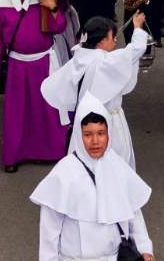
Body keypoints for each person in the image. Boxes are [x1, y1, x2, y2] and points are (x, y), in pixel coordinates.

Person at [32, 95, 154, 261]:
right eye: (88, 134)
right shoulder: (64, 175)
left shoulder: (118, 167)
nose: (95, 141)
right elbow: (48, 236)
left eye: (101, 133)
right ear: (79, 135)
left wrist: (145, 248)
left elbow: (134, 215)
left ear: (109, 134)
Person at [0, 0, 69, 173]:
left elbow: (60, 27)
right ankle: (14, 155)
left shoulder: (42, 3)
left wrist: (54, 7)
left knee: (46, 109)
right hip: (17, 66)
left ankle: (48, 152)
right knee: (16, 112)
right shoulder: (1, 7)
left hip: (43, 64)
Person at [41, 14, 149, 168]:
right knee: (111, 165)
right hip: (105, 123)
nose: (115, 40)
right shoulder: (104, 62)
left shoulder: (81, 57)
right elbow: (135, 49)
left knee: (84, 165)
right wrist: (137, 27)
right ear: (102, 41)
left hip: (84, 120)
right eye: (112, 36)